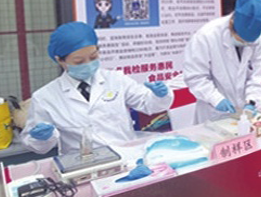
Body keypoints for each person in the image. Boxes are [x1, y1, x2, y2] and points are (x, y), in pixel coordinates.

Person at [22, 21, 174, 155]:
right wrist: (42, 138)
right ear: (60, 60)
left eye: (93, 57)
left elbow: (149, 105)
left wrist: (159, 96)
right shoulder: (45, 97)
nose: (88, 64)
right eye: (78, 61)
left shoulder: (116, 79)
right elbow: (38, 147)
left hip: (126, 156)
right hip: (82, 164)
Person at [183, 0, 261, 124]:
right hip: (214, 112)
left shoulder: (257, 37)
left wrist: (251, 100)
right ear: (232, 23)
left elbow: (257, 73)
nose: (245, 44)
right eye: (241, 39)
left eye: (249, 42)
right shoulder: (206, 36)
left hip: (244, 113)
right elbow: (195, 77)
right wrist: (216, 99)